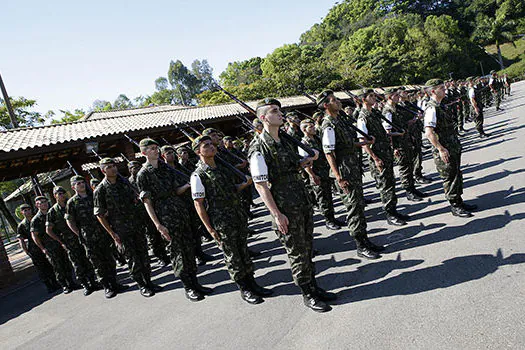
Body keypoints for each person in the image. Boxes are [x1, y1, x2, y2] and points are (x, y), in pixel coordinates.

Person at [249, 98, 336, 313]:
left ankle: (314, 287)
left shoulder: (286, 140)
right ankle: (307, 293)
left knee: (307, 247)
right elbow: (261, 185)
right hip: (285, 206)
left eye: (280, 110)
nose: (280, 114)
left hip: (301, 200)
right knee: (296, 252)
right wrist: (277, 214)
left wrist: (305, 162)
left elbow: (292, 166)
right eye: (274, 111)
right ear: (263, 118)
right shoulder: (258, 147)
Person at [191, 135, 273, 304]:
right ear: (198, 151)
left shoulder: (222, 167)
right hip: (221, 220)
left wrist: (245, 184)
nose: (211, 147)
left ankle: (253, 283)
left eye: (212, 144)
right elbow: (199, 204)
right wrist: (210, 229)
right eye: (206, 146)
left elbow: (232, 188)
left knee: (243, 250)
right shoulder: (198, 175)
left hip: (236, 215)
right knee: (232, 255)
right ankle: (244, 288)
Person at [136, 138, 212, 302]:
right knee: (178, 253)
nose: (155, 150)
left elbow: (176, 190)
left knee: (189, 249)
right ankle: (188, 287)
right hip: (165, 216)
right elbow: (147, 202)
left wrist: (187, 186)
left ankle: (196, 283)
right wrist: (158, 225)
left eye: (156, 147)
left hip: (180, 212)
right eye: (151, 149)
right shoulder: (143, 174)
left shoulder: (164, 167)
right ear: (143, 153)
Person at [318, 90, 384, 260]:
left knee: (359, 206)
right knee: (354, 208)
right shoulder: (328, 125)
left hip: (352, 169)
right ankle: (360, 245)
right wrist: (338, 176)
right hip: (344, 172)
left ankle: (365, 240)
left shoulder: (339, 121)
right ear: (326, 105)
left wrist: (364, 142)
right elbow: (329, 153)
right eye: (334, 100)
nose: (338, 101)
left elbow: (347, 144)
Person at [94, 158, 163, 297]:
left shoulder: (125, 183)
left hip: (136, 225)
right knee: (132, 258)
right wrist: (112, 234)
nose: (113, 169)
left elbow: (137, 198)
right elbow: (99, 215)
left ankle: (149, 282)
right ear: (103, 171)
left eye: (114, 166)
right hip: (121, 229)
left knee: (143, 254)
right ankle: (142, 285)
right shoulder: (100, 190)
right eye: (109, 167)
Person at [423, 79, 477, 217]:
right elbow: (429, 132)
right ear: (433, 91)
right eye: (441, 88)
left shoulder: (441, 105)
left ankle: (459, 200)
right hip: (444, 149)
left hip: (452, 146)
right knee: (450, 177)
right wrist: (440, 149)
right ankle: (455, 205)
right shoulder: (431, 108)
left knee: (456, 174)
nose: (445, 89)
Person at [357, 89, 409, 226]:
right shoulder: (363, 117)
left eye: (374, 95)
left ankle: (393, 210)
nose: (374, 98)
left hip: (385, 152)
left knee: (390, 183)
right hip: (378, 155)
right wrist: (375, 158)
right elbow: (364, 142)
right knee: (385, 186)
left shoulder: (373, 113)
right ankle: (390, 214)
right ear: (364, 99)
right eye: (371, 96)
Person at [66, 175, 123, 299]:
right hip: (89, 237)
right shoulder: (72, 202)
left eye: (82, 182)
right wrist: (79, 234)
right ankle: (107, 287)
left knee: (109, 259)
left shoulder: (94, 196)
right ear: (73, 187)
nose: (81, 185)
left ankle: (114, 283)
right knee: (98, 263)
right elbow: (70, 221)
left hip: (103, 233)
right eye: (78, 183)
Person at [46, 186, 98, 296]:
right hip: (69, 242)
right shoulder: (53, 211)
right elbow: (48, 230)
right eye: (59, 193)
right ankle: (86, 285)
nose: (61, 195)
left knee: (87, 259)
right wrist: (60, 241)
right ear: (54, 196)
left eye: (63, 193)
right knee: (77, 263)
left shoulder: (71, 204)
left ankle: (93, 282)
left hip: (80, 237)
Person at [299, 118, 345, 230]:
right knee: (323, 199)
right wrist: (313, 175)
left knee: (329, 196)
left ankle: (332, 218)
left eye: (313, 126)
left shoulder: (317, 139)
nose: (314, 128)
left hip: (325, 172)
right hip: (317, 174)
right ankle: (328, 220)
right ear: (304, 130)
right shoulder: (303, 143)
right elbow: (306, 164)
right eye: (311, 127)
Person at [382, 88, 426, 201]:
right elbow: (388, 132)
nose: (398, 97)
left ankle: (412, 187)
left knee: (410, 165)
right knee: (404, 168)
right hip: (399, 145)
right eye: (396, 95)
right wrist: (393, 147)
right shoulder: (388, 111)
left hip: (405, 141)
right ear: (390, 97)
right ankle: (408, 191)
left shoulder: (396, 108)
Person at [128, 160, 171, 267]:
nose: (136, 168)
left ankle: (167, 252)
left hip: (154, 209)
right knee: (153, 236)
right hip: (142, 212)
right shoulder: (128, 182)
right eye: (133, 167)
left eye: (138, 166)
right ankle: (160, 256)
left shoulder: (145, 176)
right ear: (129, 170)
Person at [31, 196, 76, 294]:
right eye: (41, 202)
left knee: (66, 263)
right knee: (57, 266)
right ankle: (64, 285)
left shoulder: (52, 213)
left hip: (60, 242)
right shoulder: (36, 220)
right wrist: (42, 248)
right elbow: (35, 236)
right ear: (37, 205)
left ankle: (71, 282)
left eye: (45, 201)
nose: (44, 204)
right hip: (50, 246)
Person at [17, 203, 58, 293]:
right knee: (41, 268)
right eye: (25, 210)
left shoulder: (37, 219)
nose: (27, 212)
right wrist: (26, 251)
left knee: (50, 265)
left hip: (44, 245)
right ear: (22, 212)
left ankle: (55, 282)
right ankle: (49, 285)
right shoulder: (22, 225)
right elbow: (21, 240)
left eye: (28, 209)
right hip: (34, 249)